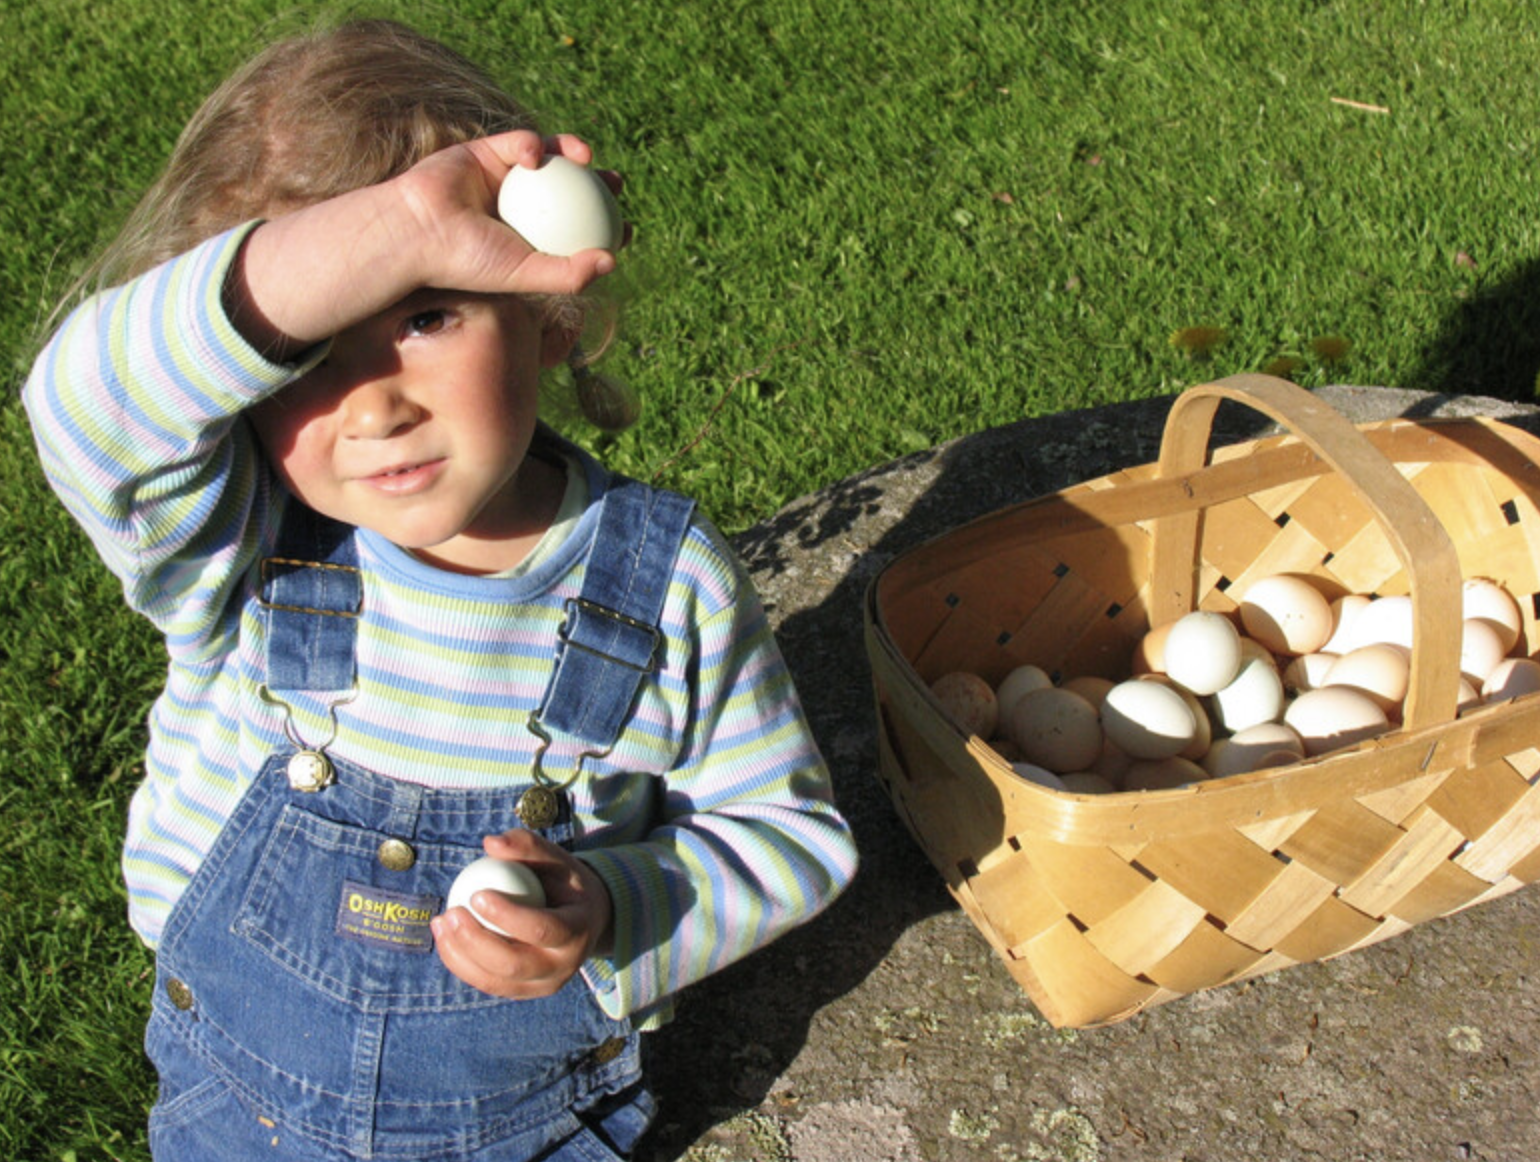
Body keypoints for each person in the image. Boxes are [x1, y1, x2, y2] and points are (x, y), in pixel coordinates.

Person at [24, 18, 857, 1162]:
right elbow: (84, 401)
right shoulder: (241, 546)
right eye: (307, 352)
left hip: (530, 1127)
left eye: (425, 314)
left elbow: (785, 834)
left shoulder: (662, 585)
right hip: (239, 1110)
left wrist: (607, 908)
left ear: (545, 308)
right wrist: (403, 226)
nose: (373, 405)